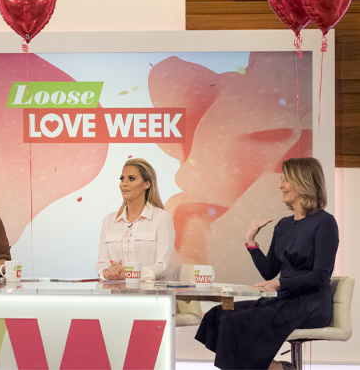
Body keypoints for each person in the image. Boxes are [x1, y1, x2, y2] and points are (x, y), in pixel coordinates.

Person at [195, 157, 339, 370]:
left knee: (235, 322)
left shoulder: (325, 222)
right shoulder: (283, 225)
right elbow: (269, 271)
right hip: (283, 300)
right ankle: (277, 367)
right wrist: (251, 242)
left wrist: (280, 284)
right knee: (219, 313)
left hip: (309, 303)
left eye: (286, 179)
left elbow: (321, 275)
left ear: (303, 182)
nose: (281, 185)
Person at [96, 158, 175, 280]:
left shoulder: (162, 218)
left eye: (131, 179)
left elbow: (162, 267)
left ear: (147, 184)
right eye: (122, 179)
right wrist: (108, 272)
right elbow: (102, 263)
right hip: (116, 290)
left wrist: (128, 274)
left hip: (151, 291)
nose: (124, 184)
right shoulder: (108, 221)